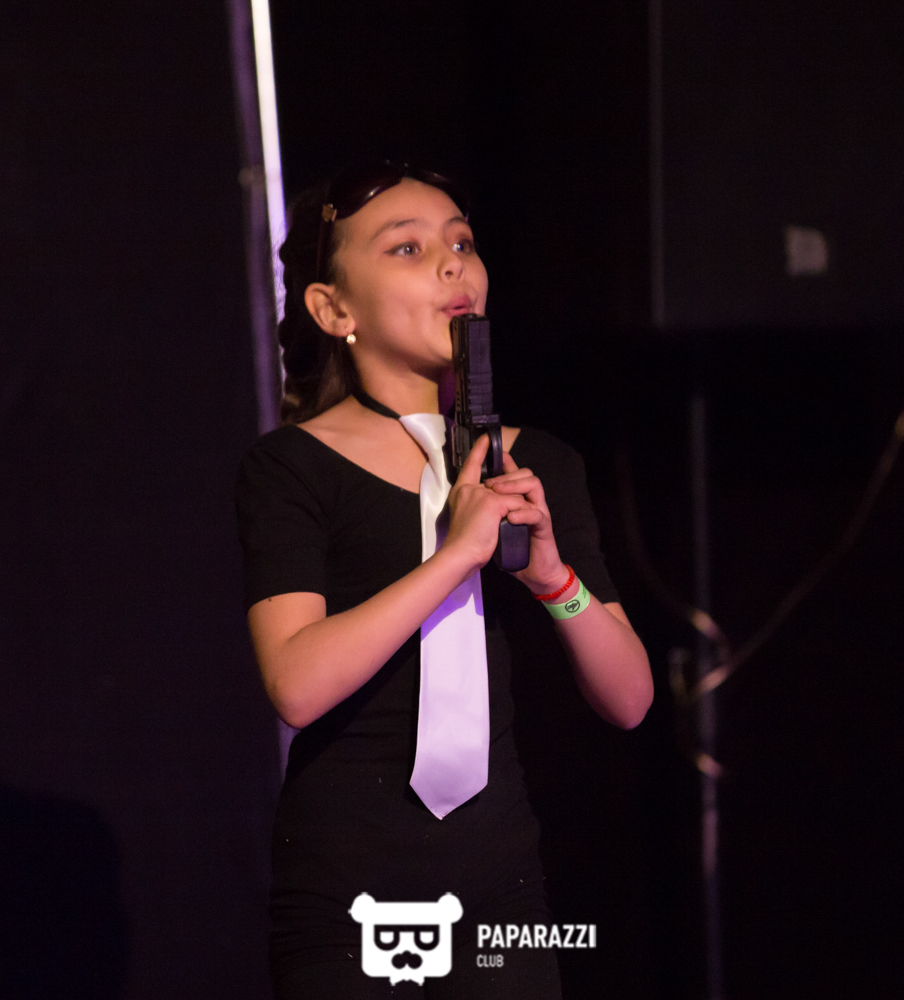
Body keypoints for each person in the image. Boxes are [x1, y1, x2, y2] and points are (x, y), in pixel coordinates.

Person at [235, 161, 652, 999]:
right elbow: (296, 685)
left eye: (462, 242)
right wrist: (454, 557)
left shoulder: (537, 463)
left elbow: (630, 699)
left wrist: (553, 578)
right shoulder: (293, 467)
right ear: (334, 309)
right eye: (408, 248)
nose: (451, 264)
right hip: (348, 898)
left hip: (502, 891)